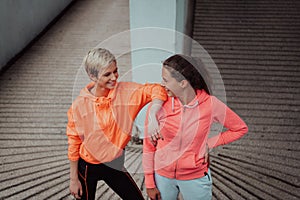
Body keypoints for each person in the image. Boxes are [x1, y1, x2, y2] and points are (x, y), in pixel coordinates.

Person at [143, 54, 248, 200]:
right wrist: (149, 183)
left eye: (166, 80)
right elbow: (148, 146)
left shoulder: (210, 104)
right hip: (162, 176)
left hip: (194, 177)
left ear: (183, 83)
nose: (162, 84)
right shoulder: (159, 105)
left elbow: (240, 128)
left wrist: (209, 143)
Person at [66, 48, 167, 200]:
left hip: (115, 163)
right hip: (88, 167)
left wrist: (153, 114)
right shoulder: (79, 106)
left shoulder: (127, 92)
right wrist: (73, 180)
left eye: (115, 71)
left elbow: (157, 89)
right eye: (107, 74)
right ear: (92, 76)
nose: (114, 77)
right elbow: (74, 143)